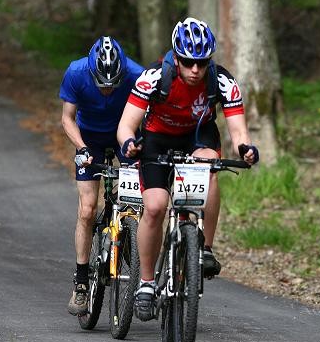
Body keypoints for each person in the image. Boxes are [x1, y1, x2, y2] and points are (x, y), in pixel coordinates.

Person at [117, 17, 259, 321]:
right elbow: (126, 124)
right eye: (187, 62)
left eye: (202, 63)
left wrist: (246, 148)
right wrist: (129, 141)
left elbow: (238, 130)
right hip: (157, 138)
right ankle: (144, 282)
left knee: (211, 166)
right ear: (176, 58)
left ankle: (205, 248)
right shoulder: (154, 77)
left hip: (198, 136)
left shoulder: (221, 81)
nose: (195, 70)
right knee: (155, 207)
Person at [60, 36, 144, 316]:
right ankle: (81, 280)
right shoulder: (76, 72)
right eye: (102, 85)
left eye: (113, 85)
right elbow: (67, 118)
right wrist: (82, 148)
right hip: (90, 139)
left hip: (125, 134)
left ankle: (130, 239)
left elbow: (149, 115)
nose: (107, 90)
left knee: (136, 200)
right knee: (87, 209)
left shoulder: (136, 74)